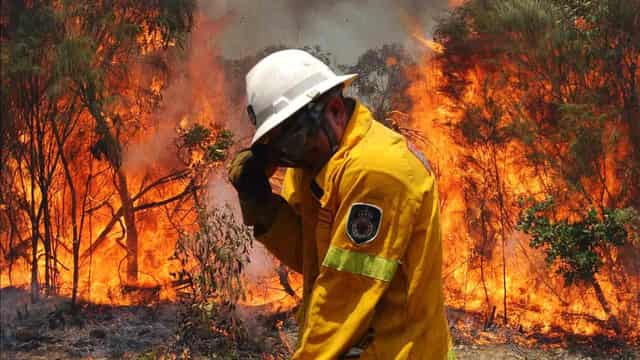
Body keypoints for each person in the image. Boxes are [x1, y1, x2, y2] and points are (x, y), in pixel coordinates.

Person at [228, 49, 455, 359]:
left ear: (334, 110)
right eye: (277, 149)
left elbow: (343, 296)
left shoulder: (376, 172)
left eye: (291, 143)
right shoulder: (316, 162)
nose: (289, 159)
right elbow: (312, 258)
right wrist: (262, 204)